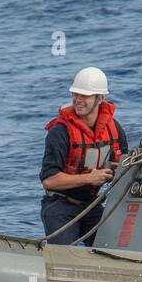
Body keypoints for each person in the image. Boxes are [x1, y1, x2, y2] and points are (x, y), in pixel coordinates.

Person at [39, 67, 129, 245]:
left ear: (100, 99)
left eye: (85, 96)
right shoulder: (60, 132)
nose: (78, 100)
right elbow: (49, 181)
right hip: (60, 207)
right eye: (75, 95)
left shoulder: (114, 129)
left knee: (111, 248)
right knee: (65, 258)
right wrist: (89, 178)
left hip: (91, 205)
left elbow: (125, 167)